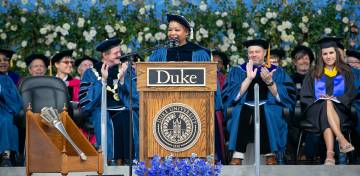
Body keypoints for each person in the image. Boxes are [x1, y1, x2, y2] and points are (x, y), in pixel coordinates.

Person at [149, 14, 225, 162]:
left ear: (187, 32)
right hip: (165, 104)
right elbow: (148, 76)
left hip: (196, 105)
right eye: (170, 30)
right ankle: (166, 158)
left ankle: (198, 158)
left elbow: (210, 80)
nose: (172, 33)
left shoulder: (200, 53)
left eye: (177, 30)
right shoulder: (159, 53)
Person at [222, 39, 296, 165]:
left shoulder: (276, 71)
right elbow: (232, 97)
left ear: (264, 53)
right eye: (251, 52)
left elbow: (285, 97)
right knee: (240, 111)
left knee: (266, 110)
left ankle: (271, 154)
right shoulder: (238, 71)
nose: (254, 54)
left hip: (270, 106)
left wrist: (269, 82)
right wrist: (249, 78)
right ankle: (238, 155)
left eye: (257, 51)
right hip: (244, 105)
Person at [79, 38, 139, 165]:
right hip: (100, 109)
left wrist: (123, 79)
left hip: (123, 108)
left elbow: (136, 98)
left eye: (120, 52)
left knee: (130, 114)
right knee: (102, 117)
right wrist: (103, 81)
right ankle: (108, 162)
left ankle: (132, 162)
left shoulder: (125, 69)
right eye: (115, 53)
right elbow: (86, 103)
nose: (120, 55)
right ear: (104, 55)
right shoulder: (90, 73)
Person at [300, 37, 356, 166]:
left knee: (329, 104)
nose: (328, 56)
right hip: (315, 110)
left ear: (336, 53)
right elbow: (305, 96)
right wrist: (321, 100)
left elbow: (351, 93)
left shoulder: (346, 73)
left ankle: (329, 155)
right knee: (325, 104)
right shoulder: (313, 73)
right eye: (325, 54)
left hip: (340, 109)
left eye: (331, 53)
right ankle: (342, 139)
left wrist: (335, 99)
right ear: (321, 56)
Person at [0, 74, 22, 166]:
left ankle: (6, 157)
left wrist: (2, 91)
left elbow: (15, 97)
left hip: (3, 108)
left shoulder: (5, 79)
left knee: (7, 121)